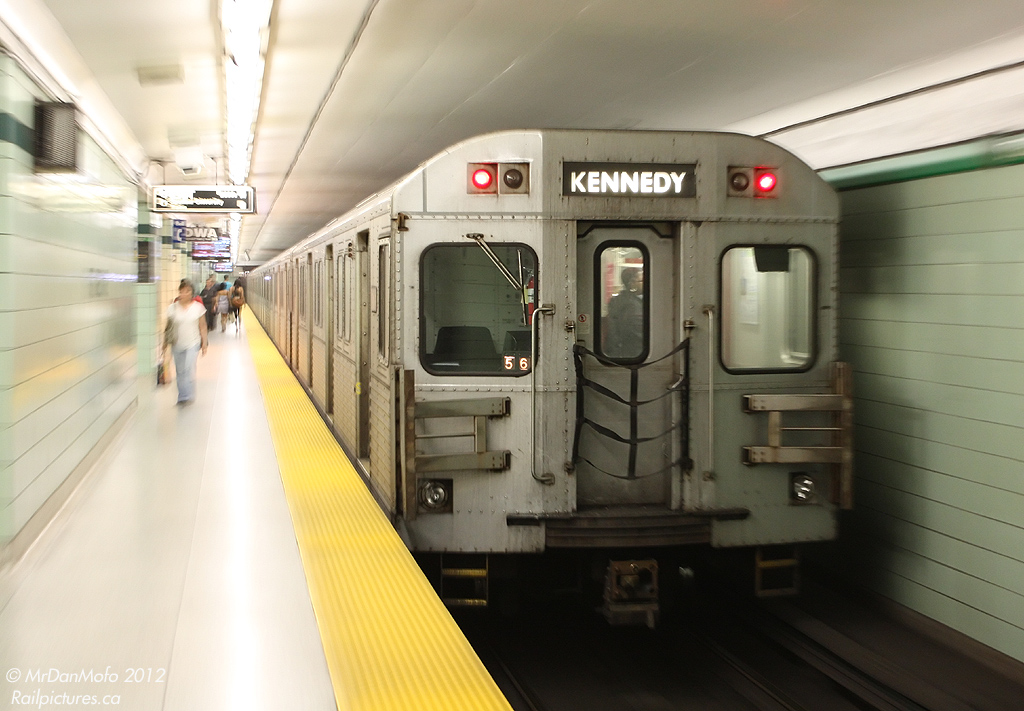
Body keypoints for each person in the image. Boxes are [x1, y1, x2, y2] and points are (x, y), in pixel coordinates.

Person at [165, 280, 208, 404]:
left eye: (187, 291)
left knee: (188, 369)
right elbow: (168, 328)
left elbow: (203, 326)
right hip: (176, 344)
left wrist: (204, 343)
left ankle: (187, 395)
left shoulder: (198, 308)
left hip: (193, 343)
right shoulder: (172, 308)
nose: (184, 294)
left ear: (192, 293)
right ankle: (182, 395)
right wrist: (164, 345)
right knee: (180, 371)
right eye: (182, 291)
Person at [604, 267, 644, 360]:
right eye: (641, 280)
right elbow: (636, 331)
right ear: (632, 284)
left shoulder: (625, 300)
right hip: (633, 352)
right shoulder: (630, 304)